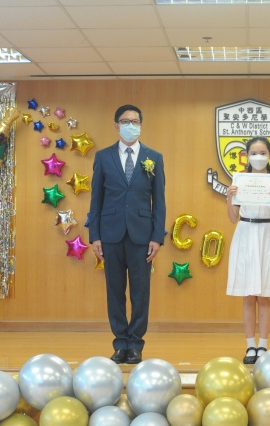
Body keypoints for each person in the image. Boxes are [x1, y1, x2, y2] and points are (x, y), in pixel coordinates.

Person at [89, 104, 166, 365]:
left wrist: (157, 237)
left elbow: (159, 201)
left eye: (134, 121)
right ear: (116, 125)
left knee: (140, 292)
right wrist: (95, 235)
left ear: (141, 125)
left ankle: (136, 344)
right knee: (115, 291)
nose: (130, 125)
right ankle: (120, 342)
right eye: (125, 121)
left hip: (142, 235)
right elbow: (96, 199)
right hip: (110, 234)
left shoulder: (154, 157)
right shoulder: (103, 157)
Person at [225, 136, 270, 365]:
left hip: (267, 234)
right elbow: (233, 218)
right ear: (247, 156)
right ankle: (250, 345)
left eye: (263, 153)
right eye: (254, 153)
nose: (258, 157)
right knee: (248, 295)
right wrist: (229, 198)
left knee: (263, 295)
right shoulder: (240, 180)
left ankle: (263, 345)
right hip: (245, 232)